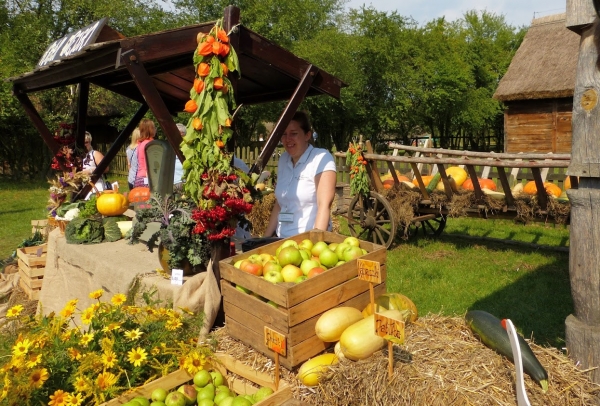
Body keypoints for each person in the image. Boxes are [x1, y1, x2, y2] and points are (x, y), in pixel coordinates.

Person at [264, 111, 336, 238]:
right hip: (281, 240)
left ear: (307, 135)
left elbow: (324, 206)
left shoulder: (321, 158)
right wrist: (264, 239)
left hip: (306, 241)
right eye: (284, 134)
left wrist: (314, 245)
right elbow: (280, 204)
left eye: (294, 133)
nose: (287, 139)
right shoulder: (284, 159)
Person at [82, 131, 110, 197]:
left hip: (97, 186)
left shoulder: (95, 154)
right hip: (82, 188)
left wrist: (91, 171)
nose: (84, 145)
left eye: (86, 142)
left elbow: (106, 168)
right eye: (82, 143)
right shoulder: (77, 157)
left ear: (90, 142)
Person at [133, 118, 156, 187]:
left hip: (139, 177)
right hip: (147, 178)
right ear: (150, 129)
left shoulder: (141, 143)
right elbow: (150, 163)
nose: (155, 129)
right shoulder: (150, 144)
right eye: (154, 127)